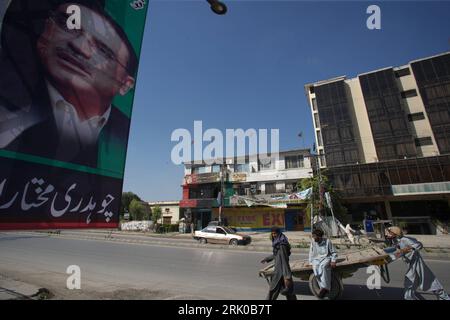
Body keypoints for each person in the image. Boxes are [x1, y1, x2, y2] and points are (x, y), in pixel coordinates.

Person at [0, 1, 137, 167]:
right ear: (47, 29)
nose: (79, 47)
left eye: (104, 50)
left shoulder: (123, 139)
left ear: (125, 85)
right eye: (68, 25)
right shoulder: (9, 102)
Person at [385, 226, 450, 300]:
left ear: (395, 233)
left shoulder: (405, 240)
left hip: (417, 263)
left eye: (389, 233)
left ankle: (445, 298)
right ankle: (409, 298)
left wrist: (410, 248)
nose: (387, 234)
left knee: (430, 282)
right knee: (410, 283)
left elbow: (419, 244)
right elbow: (397, 252)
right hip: (411, 264)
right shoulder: (395, 241)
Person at [260, 227, 297, 300]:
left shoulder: (281, 245)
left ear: (279, 233)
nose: (273, 235)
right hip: (280, 271)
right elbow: (276, 255)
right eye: (272, 233)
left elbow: (284, 260)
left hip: (280, 273)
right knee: (289, 293)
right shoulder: (278, 242)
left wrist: (287, 276)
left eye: (275, 233)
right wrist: (267, 259)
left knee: (273, 291)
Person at [309, 229, 338, 299]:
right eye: (313, 236)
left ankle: (325, 288)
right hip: (316, 259)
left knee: (323, 267)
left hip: (326, 258)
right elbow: (311, 252)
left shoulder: (327, 241)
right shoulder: (313, 242)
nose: (313, 238)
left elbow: (334, 252)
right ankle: (323, 287)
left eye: (314, 236)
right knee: (315, 269)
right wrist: (310, 262)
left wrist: (333, 261)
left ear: (320, 237)